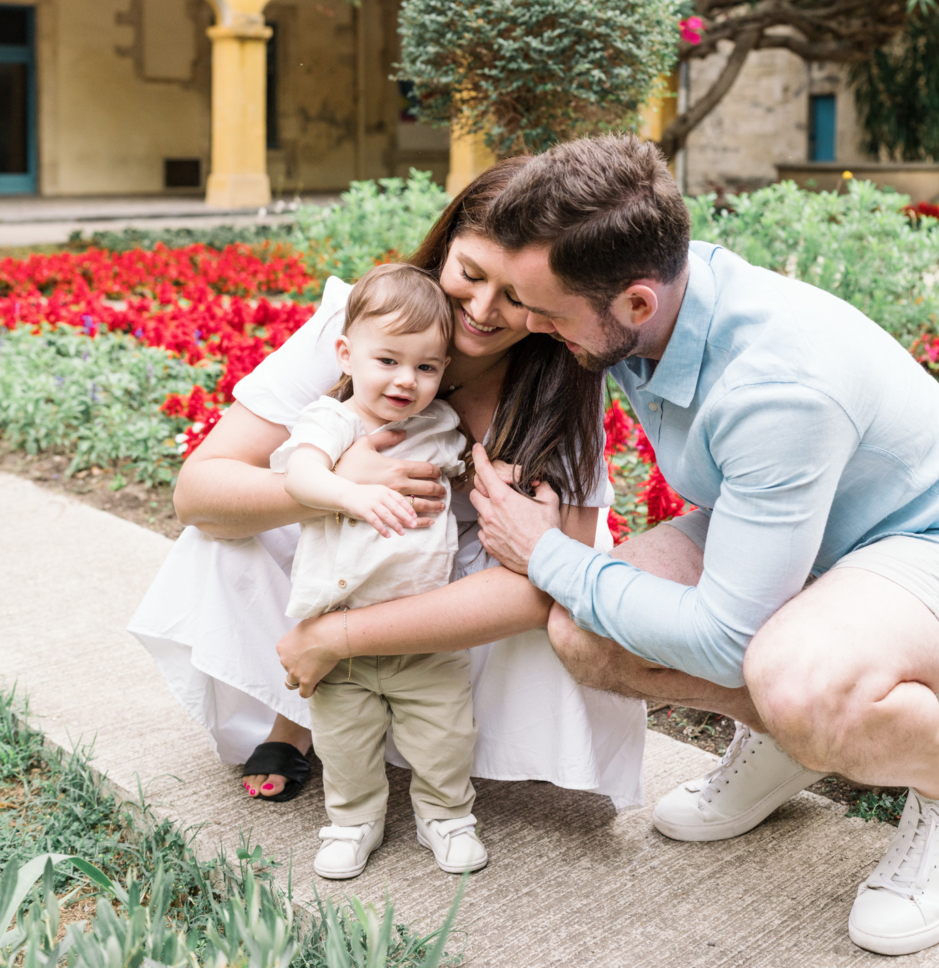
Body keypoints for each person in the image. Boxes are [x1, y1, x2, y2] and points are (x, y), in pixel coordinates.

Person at [467, 133, 939, 959]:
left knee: (790, 678)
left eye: (545, 313)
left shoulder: (778, 384)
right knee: (584, 629)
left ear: (637, 304)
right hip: (803, 539)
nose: (529, 325)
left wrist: (547, 553)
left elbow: (727, 639)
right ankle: (788, 746)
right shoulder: (635, 296)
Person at [128, 160, 645, 817]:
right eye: (470, 274)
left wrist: (342, 636)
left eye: (515, 295)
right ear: (445, 244)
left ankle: (360, 686)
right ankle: (300, 714)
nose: (482, 312)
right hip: (348, 545)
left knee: (558, 603)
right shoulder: (363, 318)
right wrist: (329, 486)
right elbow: (197, 491)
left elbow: (552, 580)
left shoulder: (560, 380)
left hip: (463, 582)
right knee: (225, 540)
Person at [273, 262, 485, 879]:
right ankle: (352, 821)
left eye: (426, 367)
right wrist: (351, 493)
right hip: (339, 622)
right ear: (346, 353)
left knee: (445, 736)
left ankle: (446, 814)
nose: (405, 381)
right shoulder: (333, 420)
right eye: (387, 360)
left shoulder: (441, 426)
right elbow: (300, 476)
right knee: (345, 744)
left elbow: (472, 470)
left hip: (421, 627)